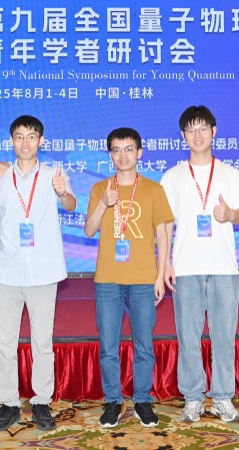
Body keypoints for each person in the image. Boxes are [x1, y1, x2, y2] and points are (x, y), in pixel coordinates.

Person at [0, 115, 76, 432]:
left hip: (43, 271)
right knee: (5, 344)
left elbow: (71, 205)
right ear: (11, 141)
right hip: (7, 272)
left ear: (41, 141)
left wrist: (63, 192)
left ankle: (41, 402)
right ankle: (9, 403)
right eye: (20, 136)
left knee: (42, 343)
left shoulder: (53, 175)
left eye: (32, 136)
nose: (26, 142)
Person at [160, 105, 239, 423]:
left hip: (224, 267)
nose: (197, 135)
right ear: (183, 135)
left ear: (214, 131)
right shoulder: (172, 177)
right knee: (188, 337)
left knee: (224, 336)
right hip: (186, 268)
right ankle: (193, 398)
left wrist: (230, 214)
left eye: (202, 128)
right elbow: (165, 224)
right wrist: (165, 264)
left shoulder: (230, 173)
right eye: (190, 129)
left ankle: (222, 397)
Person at [84, 127, 174, 428]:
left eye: (129, 149)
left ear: (139, 153)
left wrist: (160, 275)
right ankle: (112, 400)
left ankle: (143, 400)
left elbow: (163, 233)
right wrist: (103, 203)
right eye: (117, 150)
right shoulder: (100, 188)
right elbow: (89, 230)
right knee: (108, 345)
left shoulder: (153, 189)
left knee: (144, 344)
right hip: (108, 278)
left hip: (144, 278)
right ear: (110, 155)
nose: (123, 155)